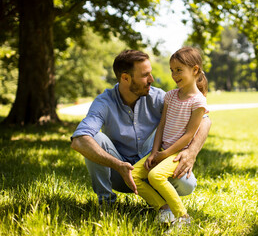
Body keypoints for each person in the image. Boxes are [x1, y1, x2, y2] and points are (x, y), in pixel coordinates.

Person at [70, 49, 211, 207]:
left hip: (151, 165)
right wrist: (119, 166)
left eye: (150, 73)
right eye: (145, 75)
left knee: (187, 183)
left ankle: (161, 203)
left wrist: (192, 151)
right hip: (118, 173)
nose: (151, 79)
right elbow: (79, 141)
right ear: (125, 78)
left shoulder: (159, 97)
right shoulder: (104, 102)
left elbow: (205, 121)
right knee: (93, 138)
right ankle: (106, 204)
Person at [130, 47, 209, 226]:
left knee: (155, 176)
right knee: (132, 175)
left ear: (195, 70)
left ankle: (183, 217)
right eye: (172, 70)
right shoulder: (171, 96)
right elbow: (162, 125)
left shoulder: (198, 102)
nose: (174, 75)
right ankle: (164, 209)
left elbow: (189, 135)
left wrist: (165, 155)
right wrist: (154, 152)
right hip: (162, 150)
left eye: (179, 70)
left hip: (177, 153)